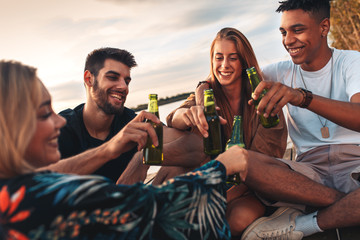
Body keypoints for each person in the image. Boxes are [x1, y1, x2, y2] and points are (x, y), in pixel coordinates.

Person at [0, 59, 251, 239]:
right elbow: (155, 208)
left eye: (127, 80)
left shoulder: (11, 188)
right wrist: (222, 167)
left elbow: (43, 177)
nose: (57, 121)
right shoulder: (48, 201)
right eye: (45, 113)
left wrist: (111, 150)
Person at [215, 0, 360, 239]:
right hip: (307, 174)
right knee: (240, 160)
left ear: (324, 27)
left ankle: (306, 224)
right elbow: (223, 79)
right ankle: (347, 206)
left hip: (354, 162)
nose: (288, 40)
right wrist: (199, 93)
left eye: (298, 30)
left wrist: (301, 97)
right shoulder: (279, 71)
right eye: (283, 32)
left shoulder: (351, 62)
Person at [163, 27, 288, 238]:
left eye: (233, 58)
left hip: (254, 186)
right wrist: (187, 116)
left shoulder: (262, 99)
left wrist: (219, 197)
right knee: (167, 143)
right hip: (216, 181)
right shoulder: (207, 92)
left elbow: (264, 163)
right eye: (218, 57)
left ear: (244, 62)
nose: (224, 65)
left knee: (237, 219)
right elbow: (172, 118)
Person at [45, 47, 206, 183]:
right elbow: (36, 180)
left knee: (178, 166)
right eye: (113, 77)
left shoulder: (130, 121)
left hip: (130, 211)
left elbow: (197, 148)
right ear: (89, 79)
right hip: (78, 216)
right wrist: (111, 148)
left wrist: (144, 157)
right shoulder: (61, 127)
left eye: (127, 81)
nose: (123, 87)